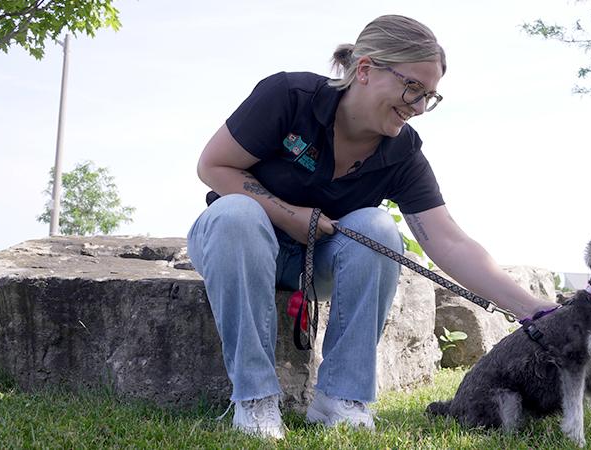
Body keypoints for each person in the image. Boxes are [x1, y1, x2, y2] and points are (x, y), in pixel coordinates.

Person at [186, 14, 558, 440]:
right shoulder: (288, 95)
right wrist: (291, 215)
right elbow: (212, 165)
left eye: (429, 96)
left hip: (317, 263)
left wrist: (536, 311)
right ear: (364, 69)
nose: (418, 107)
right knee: (238, 214)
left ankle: (341, 398)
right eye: (412, 88)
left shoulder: (402, 152)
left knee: (379, 227)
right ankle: (254, 398)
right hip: (236, 243)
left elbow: (449, 241)